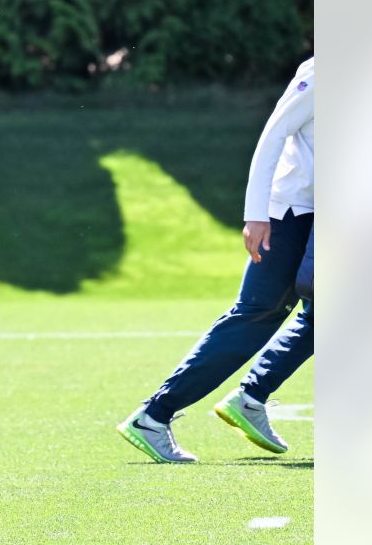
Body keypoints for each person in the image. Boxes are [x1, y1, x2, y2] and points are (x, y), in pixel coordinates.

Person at [117, 57, 315, 463]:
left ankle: (250, 396)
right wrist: (255, 213)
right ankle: (154, 418)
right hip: (289, 211)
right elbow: (272, 136)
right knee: (256, 314)